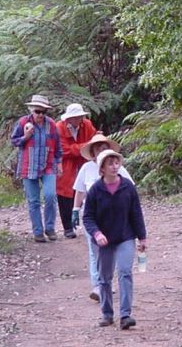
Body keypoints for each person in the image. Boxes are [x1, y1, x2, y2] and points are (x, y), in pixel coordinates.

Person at [83, 149, 147, 330]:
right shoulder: (96, 190)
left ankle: (126, 315)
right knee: (104, 278)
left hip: (125, 236)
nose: (114, 166)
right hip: (104, 241)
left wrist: (142, 237)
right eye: (110, 163)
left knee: (125, 272)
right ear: (102, 168)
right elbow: (88, 217)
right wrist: (97, 234)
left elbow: (136, 213)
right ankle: (107, 313)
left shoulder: (128, 187)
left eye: (116, 163)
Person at [73, 134, 134, 301]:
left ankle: (107, 281)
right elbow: (80, 191)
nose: (101, 150)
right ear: (93, 151)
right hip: (92, 217)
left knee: (113, 252)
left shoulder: (118, 168)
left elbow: (131, 191)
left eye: (103, 147)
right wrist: (75, 209)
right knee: (95, 253)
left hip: (116, 218)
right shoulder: (86, 169)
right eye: (97, 147)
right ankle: (99, 285)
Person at [10, 94, 63, 243]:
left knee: (50, 196)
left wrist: (59, 163)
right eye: (37, 111)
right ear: (31, 110)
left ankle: (50, 227)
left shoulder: (51, 124)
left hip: (48, 165)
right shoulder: (22, 122)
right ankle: (38, 232)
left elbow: (58, 145)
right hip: (29, 166)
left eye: (43, 112)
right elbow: (13, 141)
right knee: (33, 201)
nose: (40, 115)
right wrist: (25, 137)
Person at [56, 103, 97, 239]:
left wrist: (79, 148)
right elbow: (63, 150)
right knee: (64, 195)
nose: (80, 119)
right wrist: (84, 147)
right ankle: (68, 227)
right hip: (66, 165)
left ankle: (91, 225)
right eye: (77, 117)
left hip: (84, 162)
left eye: (81, 116)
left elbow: (95, 141)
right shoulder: (59, 128)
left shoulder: (87, 125)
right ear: (69, 118)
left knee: (87, 192)